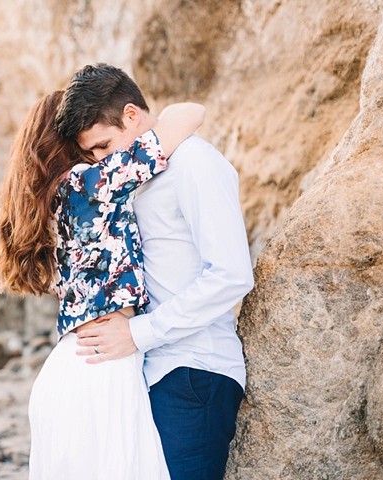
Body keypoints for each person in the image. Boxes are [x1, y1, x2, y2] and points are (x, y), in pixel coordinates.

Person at [0, 89, 205, 479]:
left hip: (67, 370)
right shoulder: (89, 184)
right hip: (103, 368)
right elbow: (190, 114)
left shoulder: (49, 201)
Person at [55, 64, 254, 480]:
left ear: (131, 115)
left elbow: (232, 275)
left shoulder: (194, 162)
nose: (101, 161)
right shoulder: (134, 177)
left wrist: (137, 334)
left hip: (196, 371)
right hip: (154, 371)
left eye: (104, 147)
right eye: (90, 154)